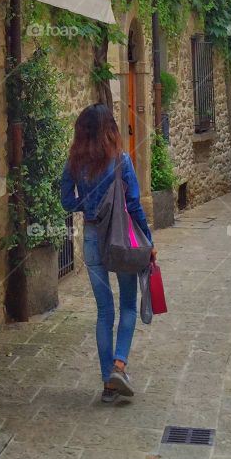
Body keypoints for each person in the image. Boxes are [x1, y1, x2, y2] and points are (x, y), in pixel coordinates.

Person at [60, 104, 155, 404]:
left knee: (104, 311)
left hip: (91, 237)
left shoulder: (74, 163)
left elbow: (65, 201)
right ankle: (119, 365)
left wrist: (87, 208)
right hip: (120, 238)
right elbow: (135, 205)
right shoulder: (121, 161)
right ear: (109, 130)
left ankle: (107, 384)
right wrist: (149, 242)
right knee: (128, 304)